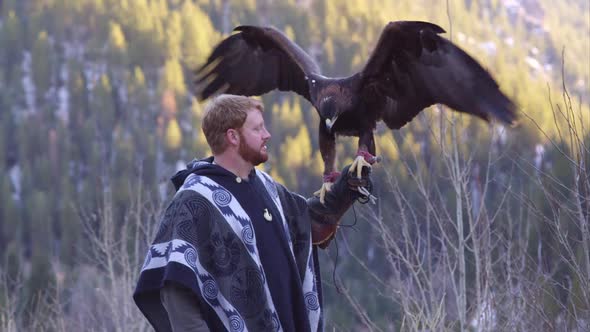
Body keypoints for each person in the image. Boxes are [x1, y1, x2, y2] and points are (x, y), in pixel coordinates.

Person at [133, 94, 374, 332]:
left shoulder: (265, 185)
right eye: (258, 128)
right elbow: (177, 285)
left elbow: (306, 221)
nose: (267, 134)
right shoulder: (194, 200)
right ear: (233, 137)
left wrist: (346, 189)